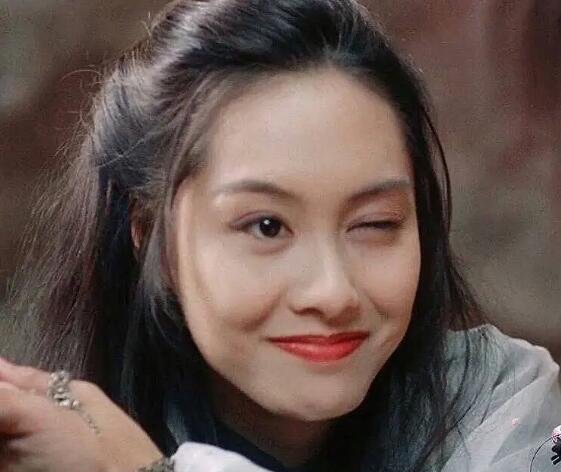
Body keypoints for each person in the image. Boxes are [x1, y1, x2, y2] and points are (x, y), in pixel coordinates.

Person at [0, 0, 560, 471]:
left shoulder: (505, 409)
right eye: (266, 227)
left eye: (375, 224)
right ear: (152, 237)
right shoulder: (54, 450)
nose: (333, 293)